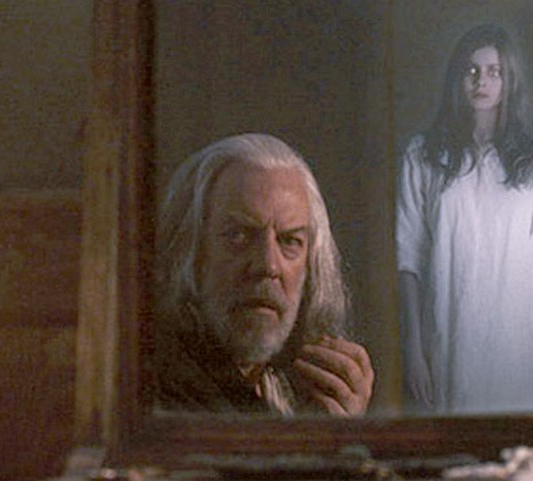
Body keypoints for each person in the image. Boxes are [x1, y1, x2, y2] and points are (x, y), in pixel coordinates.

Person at [153, 133, 374, 417]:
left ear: (311, 266)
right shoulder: (150, 390)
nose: (268, 266)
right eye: (238, 236)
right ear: (190, 252)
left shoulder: (297, 384)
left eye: (290, 241)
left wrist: (337, 431)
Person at [397, 24, 533, 414]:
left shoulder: (527, 161)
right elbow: (408, 258)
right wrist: (413, 349)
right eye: (472, 70)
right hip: (448, 337)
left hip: (517, 345)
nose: (481, 81)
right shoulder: (424, 155)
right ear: (457, 77)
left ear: (509, 79)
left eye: (494, 72)